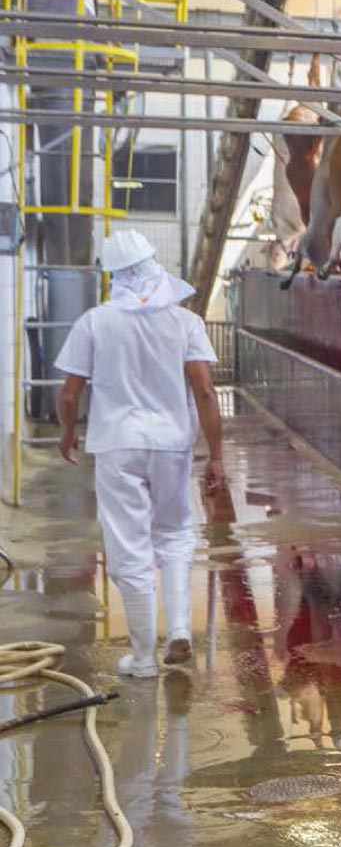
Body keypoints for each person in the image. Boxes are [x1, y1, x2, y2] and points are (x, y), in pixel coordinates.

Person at [54, 230, 225, 678]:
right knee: (173, 535)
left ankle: (145, 658)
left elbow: (70, 395)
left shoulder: (94, 322)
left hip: (116, 444)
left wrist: (68, 434)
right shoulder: (185, 323)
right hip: (171, 443)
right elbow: (204, 391)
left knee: (129, 546)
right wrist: (217, 454)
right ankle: (181, 628)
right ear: (153, 265)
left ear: (113, 277)